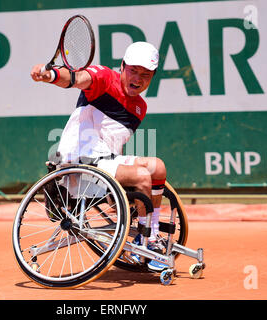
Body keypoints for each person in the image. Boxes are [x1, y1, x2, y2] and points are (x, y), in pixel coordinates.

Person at [30, 42, 167, 271]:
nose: (138, 79)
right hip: (80, 159)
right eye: (133, 71)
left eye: (146, 74)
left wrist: (119, 193)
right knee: (142, 176)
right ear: (123, 66)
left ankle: (152, 234)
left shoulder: (140, 107)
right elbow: (76, 78)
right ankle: (146, 241)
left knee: (157, 167)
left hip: (104, 162)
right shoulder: (104, 78)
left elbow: (112, 146)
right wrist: (51, 74)